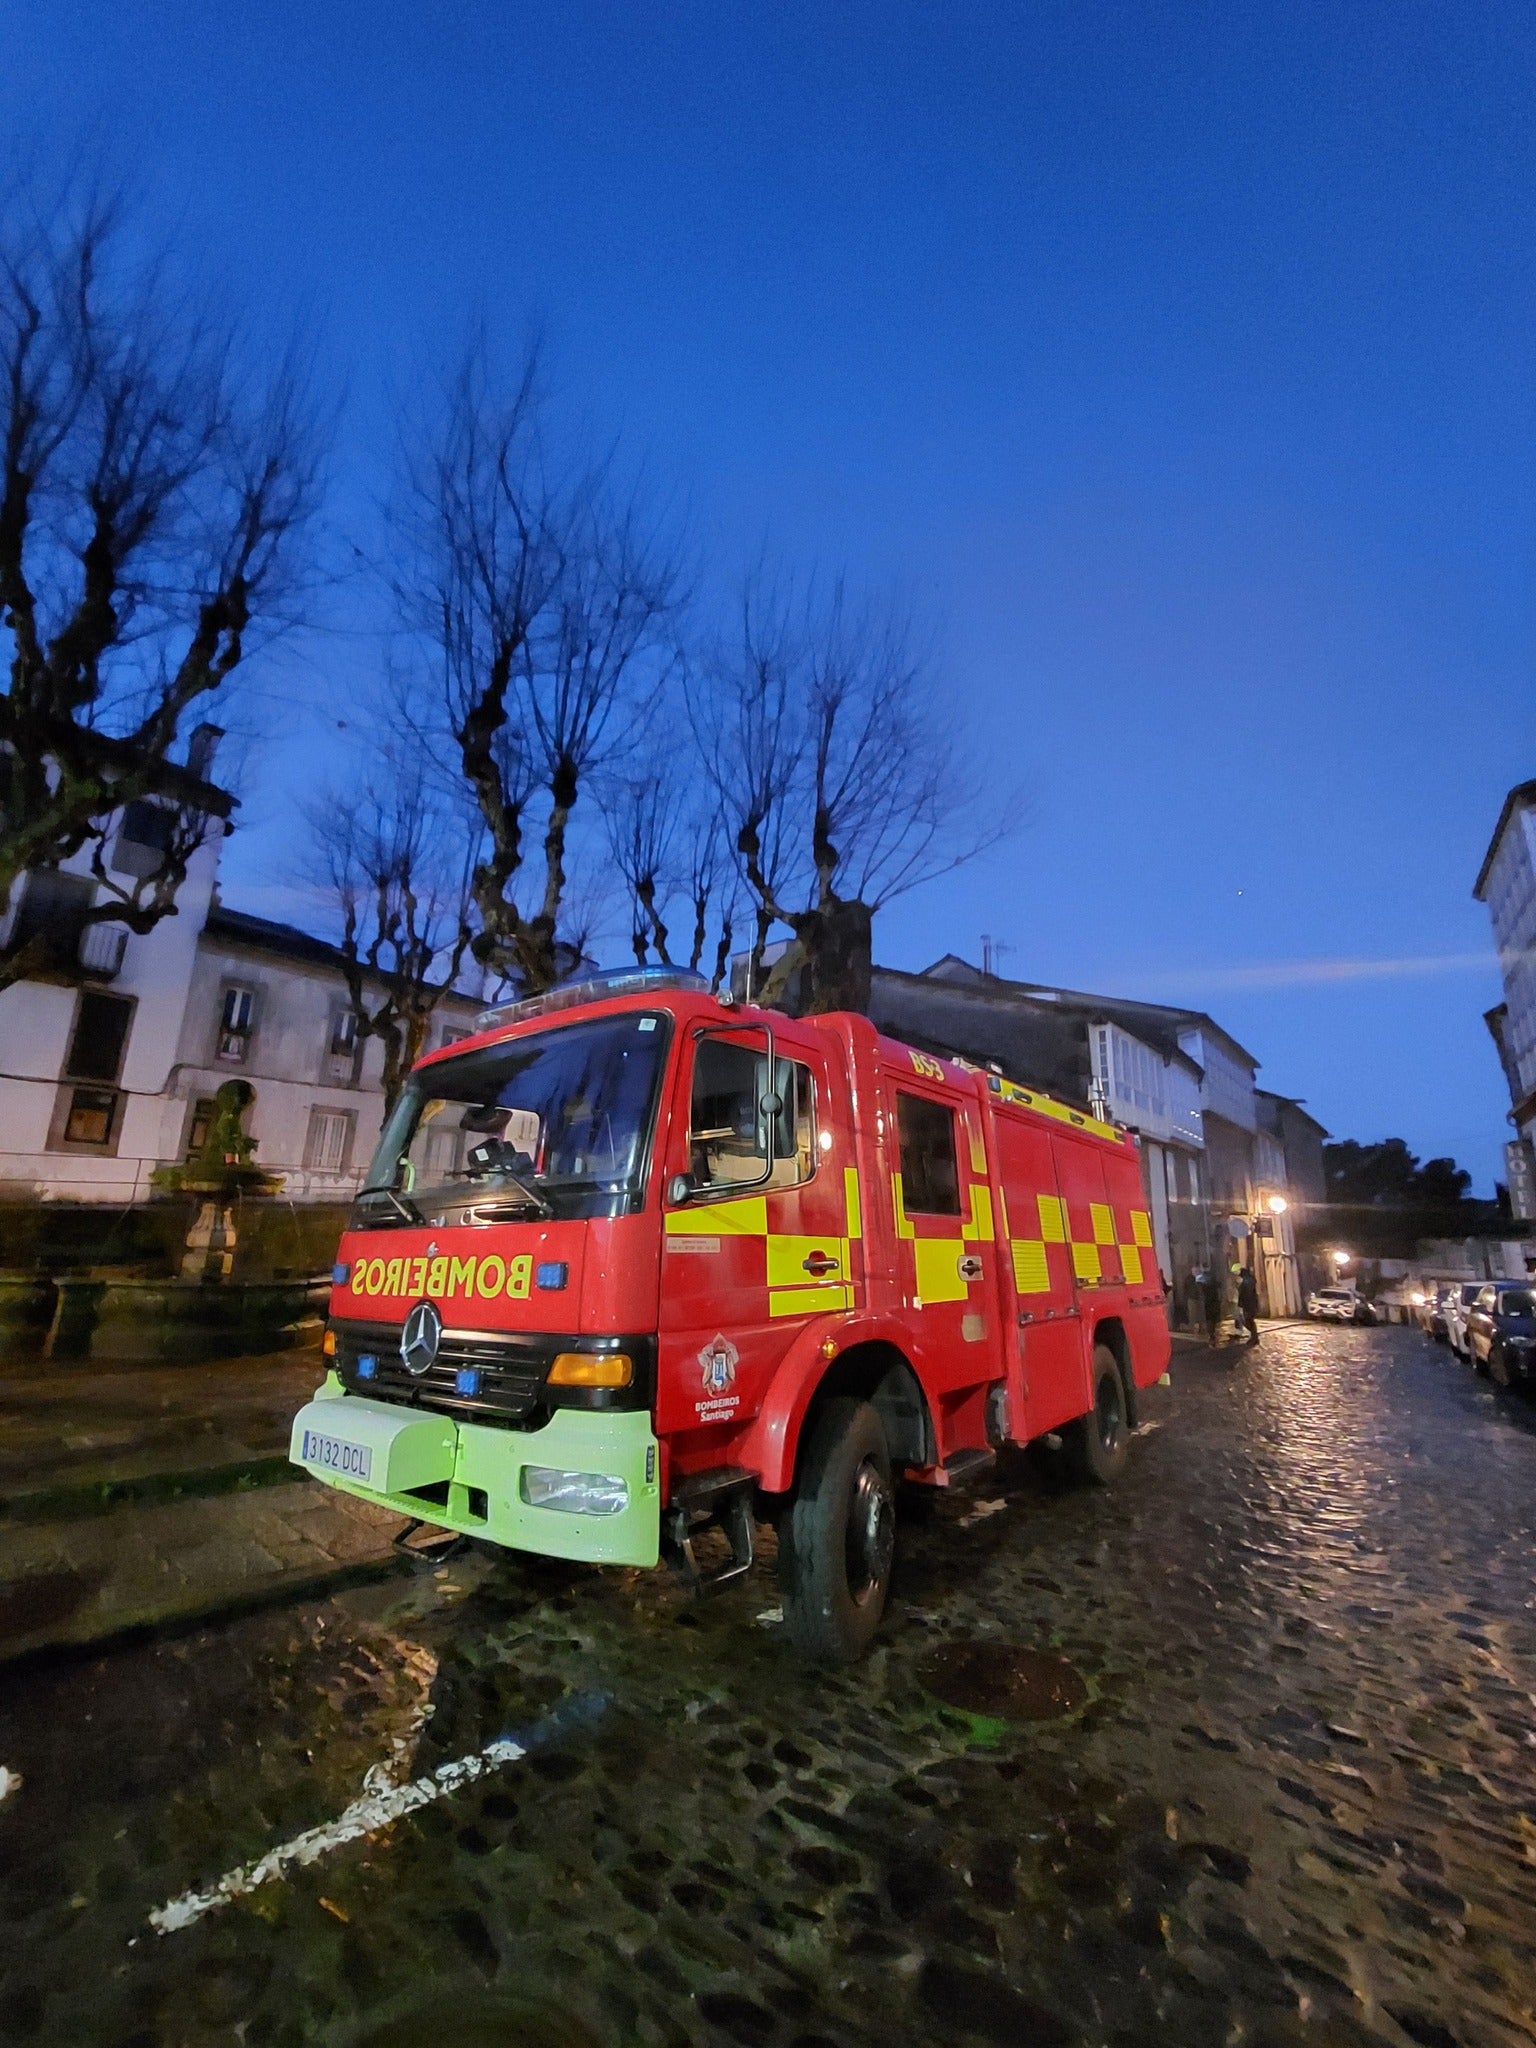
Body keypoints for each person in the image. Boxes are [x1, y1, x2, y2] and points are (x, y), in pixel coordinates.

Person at [1237, 1263, 1261, 1346]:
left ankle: (1254, 1337)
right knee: (1249, 1321)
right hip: (1251, 1304)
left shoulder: (1246, 1282)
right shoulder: (1250, 1281)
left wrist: (1241, 1303)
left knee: (1248, 1321)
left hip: (1248, 1304)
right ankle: (1254, 1337)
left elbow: (1244, 1294)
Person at [1200, 1268, 1223, 1344]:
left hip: (1209, 1304)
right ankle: (1213, 1334)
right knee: (1213, 1320)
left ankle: (1212, 1335)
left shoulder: (1204, 1285)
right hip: (1213, 1304)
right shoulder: (1214, 1284)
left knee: (1210, 1320)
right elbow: (1220, 1286)